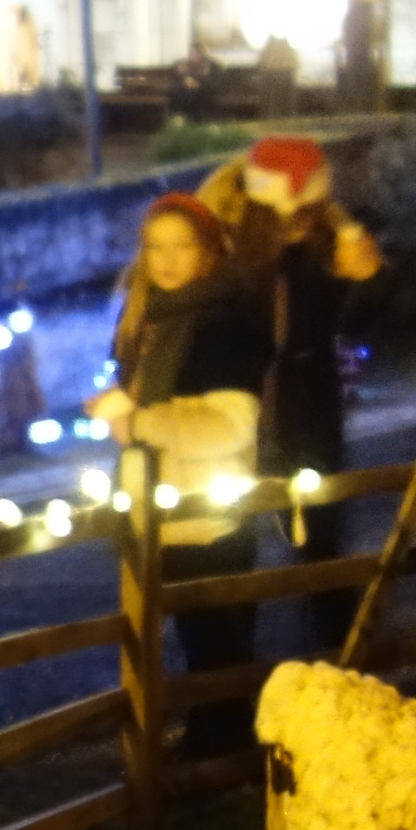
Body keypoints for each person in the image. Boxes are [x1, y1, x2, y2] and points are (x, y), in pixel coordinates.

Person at [87, 192, 272, 754]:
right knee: (192, 635)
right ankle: (214, 741)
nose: (166, 260)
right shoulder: (150, 320)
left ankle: (223, 749)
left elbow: (230, 426)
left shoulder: (226, 321)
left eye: (182, 246)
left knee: (217, 637)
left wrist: (139, 421)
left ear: (210, 251)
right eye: (154, 246)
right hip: (162, 507)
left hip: (208, 512)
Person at [197, 135, 384, 651]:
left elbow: (358, 318)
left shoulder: (324, 250)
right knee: (234, 541)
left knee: (321, 538)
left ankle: (340, 659)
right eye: (295, 207)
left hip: (310, 408)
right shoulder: (235, 257)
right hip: (243, 410)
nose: (303, 217)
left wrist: (357, 264)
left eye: (311, 207)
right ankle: (231, 680)